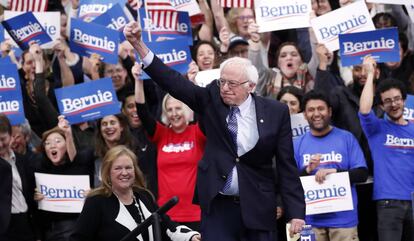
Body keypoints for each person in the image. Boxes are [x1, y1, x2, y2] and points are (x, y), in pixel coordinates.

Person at [124, 21, 305, 241]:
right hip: (218, 207)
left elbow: (287, 165)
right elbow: (173, 83)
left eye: (232, 84)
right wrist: (139, 45)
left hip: (258, 205)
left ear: (251, 86)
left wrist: (296, 213)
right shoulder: (212, 99)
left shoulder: (277, 112)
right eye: (222, 82)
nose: (225, 88)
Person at [69, 145, 201, 241]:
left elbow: (167, 226)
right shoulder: (96, 201)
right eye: (118, 168)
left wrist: (190, 236)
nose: (124, 173)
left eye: (128, 167)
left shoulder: (144, 196)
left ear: (135, 170)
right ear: (108, 173)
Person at [133, 63, 206, 230]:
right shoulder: (161, 134)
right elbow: (143, 112)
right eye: (170, 109)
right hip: (166, 213)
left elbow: (204, 109)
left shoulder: (198, 132)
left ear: (187, 109)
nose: (174, 113)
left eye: (178, 108)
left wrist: (193, 83)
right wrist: (138, 80)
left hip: (196, 213)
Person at [294, 91, 368, 241]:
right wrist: (307, 170)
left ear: (330, 111)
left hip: (344, 222)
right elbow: (289, 181)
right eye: (311, 110)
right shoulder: (296, 143)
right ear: (304, 115)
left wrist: (334, 172)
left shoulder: (346, 138)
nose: (316, 114)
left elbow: (362, 173)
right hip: (309, 222)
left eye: (320, 108)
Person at [359, 57, 414, 241]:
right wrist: (369, 76)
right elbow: (365, 110)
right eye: (388, 101)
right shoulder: (376, 129)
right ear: (382, 105)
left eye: (398, 99)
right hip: (388, 202)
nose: (394, 104)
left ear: (404, 100)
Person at [31, 116, 94, 241]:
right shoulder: (39, 169)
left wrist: (93, 195)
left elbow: (76, 159)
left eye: (57, 141)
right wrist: (35, 198)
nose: (52, 145)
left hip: (78, 228)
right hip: (51, 231)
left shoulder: (81, 165)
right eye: (47, 143)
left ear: (67, 145)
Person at [0, 114, 35, 241]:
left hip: (26, 223)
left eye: (3, 139)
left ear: (11, 136)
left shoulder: (23, 161)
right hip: (4, 228)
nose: (0, 144)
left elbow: (30, 193)